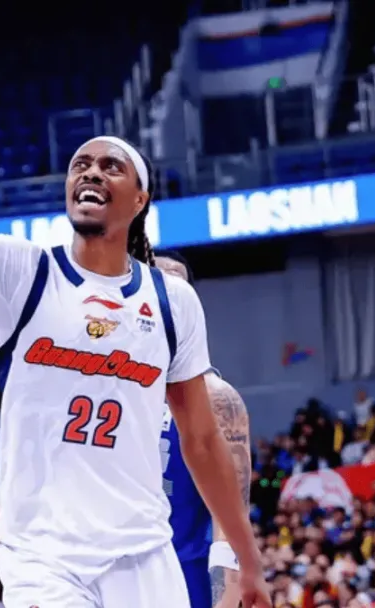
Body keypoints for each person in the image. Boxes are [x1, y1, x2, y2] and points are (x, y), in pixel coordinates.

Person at [0, 8, 270, 607]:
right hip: (43, 557)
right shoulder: (21, 271)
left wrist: (248, 561)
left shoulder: (172, 300)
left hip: (142, 553)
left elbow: (203, 442)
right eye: (81, 164)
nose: (91, 172)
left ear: (140, 197)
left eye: (111, 165)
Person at [154, 251, 251, 608]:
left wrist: (226, 591)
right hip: (113, 568)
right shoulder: (107, 386)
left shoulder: (216, 398)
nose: (168, 285)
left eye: (176, 279)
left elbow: (231, 514)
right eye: (158, 277)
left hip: (184, 572)